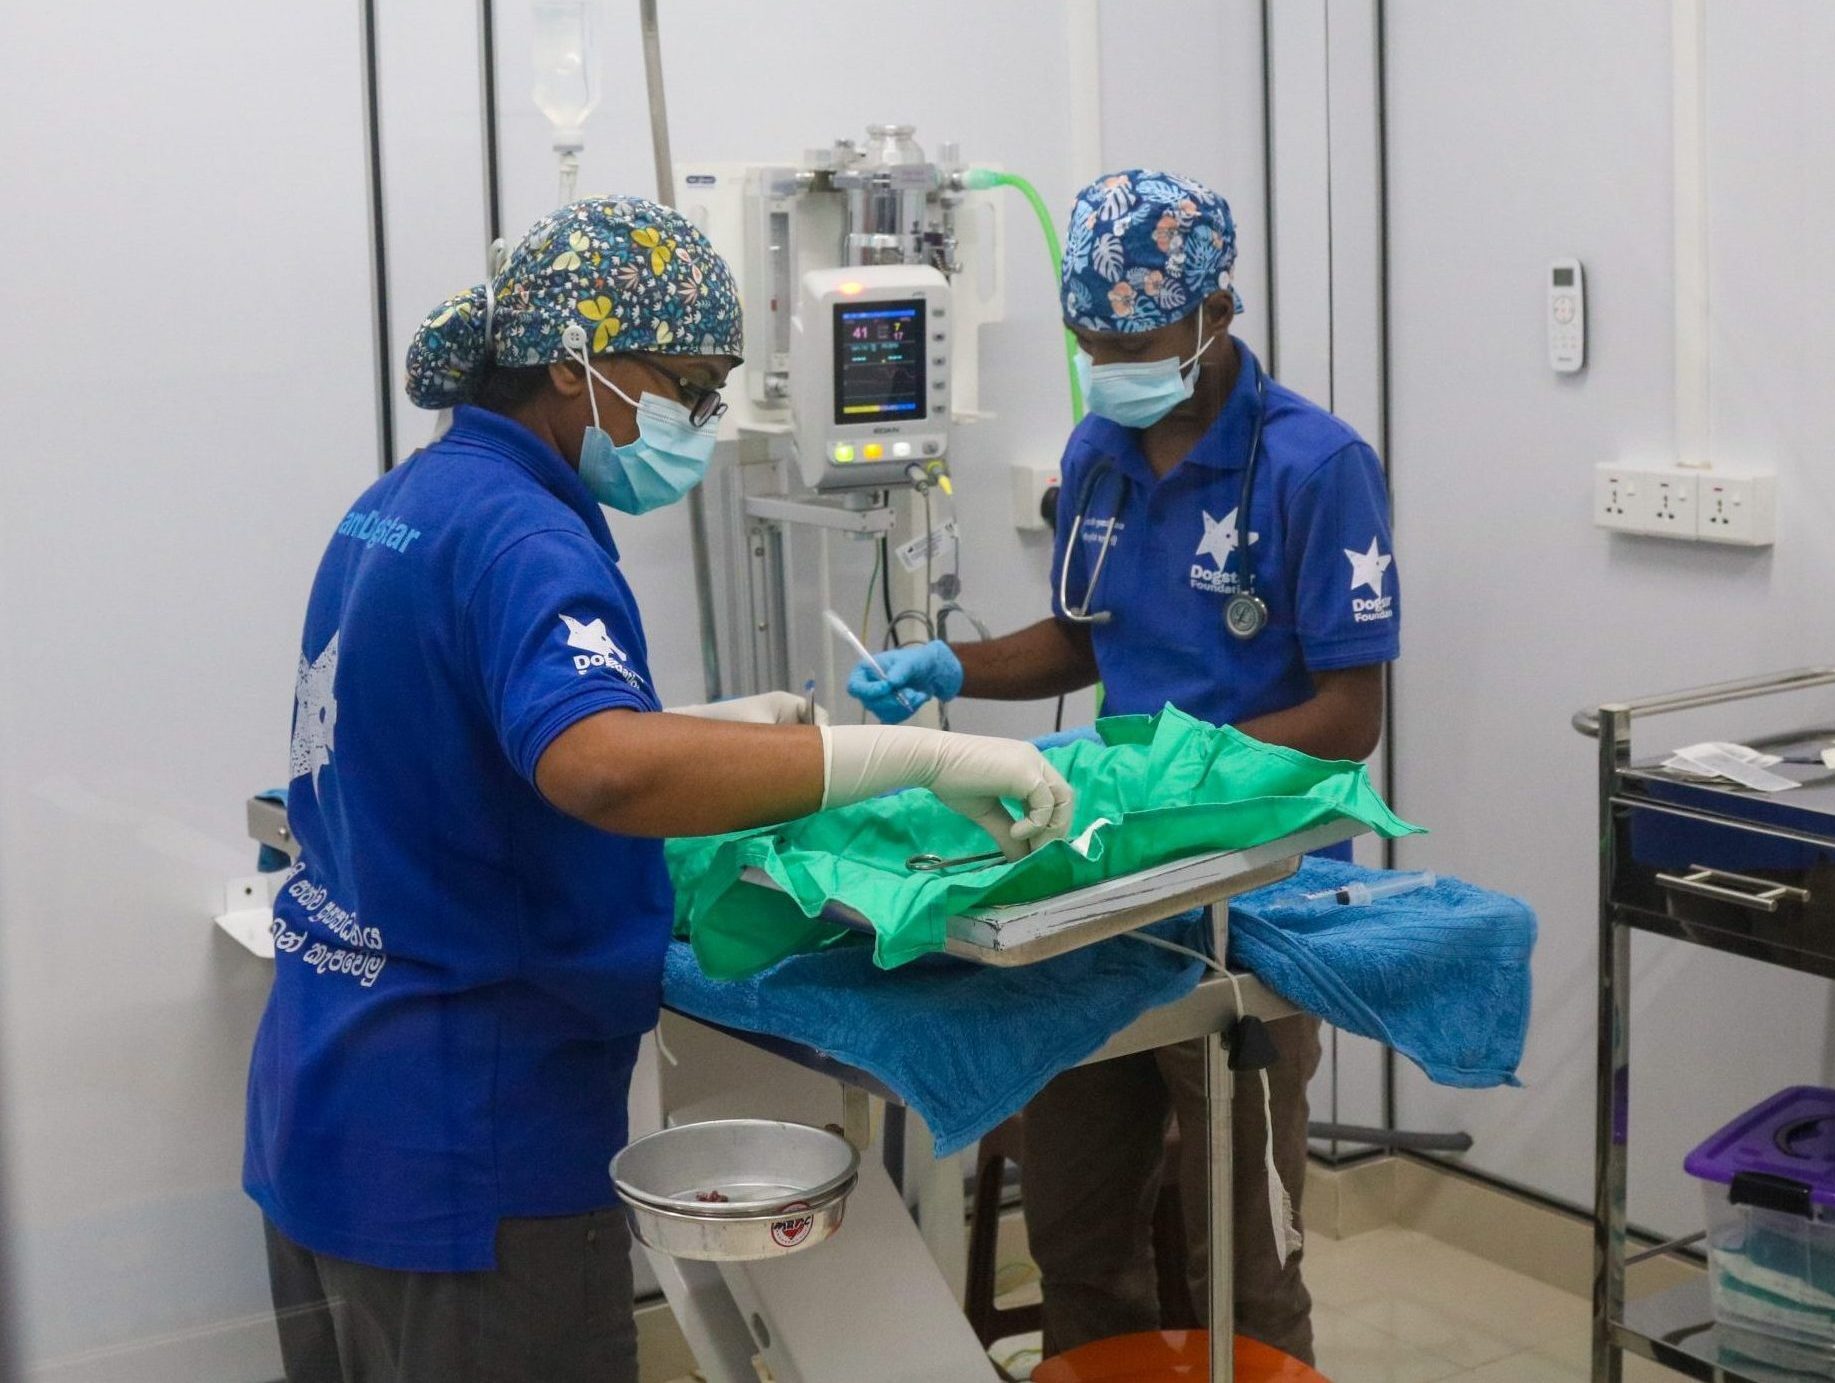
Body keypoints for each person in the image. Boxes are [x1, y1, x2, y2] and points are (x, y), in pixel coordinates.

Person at [244, 196, 1074, 1383]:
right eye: (688, 388)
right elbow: (599, 767)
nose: (699, 422)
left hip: (325, 1105)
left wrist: (716, 733)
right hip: (469, 1141)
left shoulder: (402, 507)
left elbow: (471, 738)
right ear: (573, 366)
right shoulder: (526, 540)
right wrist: (921, 757)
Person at [845, 169, 1400, 1365]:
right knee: (1078, 1236)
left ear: (1215, 313)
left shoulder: (1314, 469)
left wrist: (1175, 771)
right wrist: (948, 664)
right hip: (1102, 882)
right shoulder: (1098, 451)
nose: (1106, 366)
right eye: (1089, 343)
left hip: (1251, 896)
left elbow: (1347, 716)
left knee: (1240, 1258)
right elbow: (1083, 638)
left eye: (1132, 345)